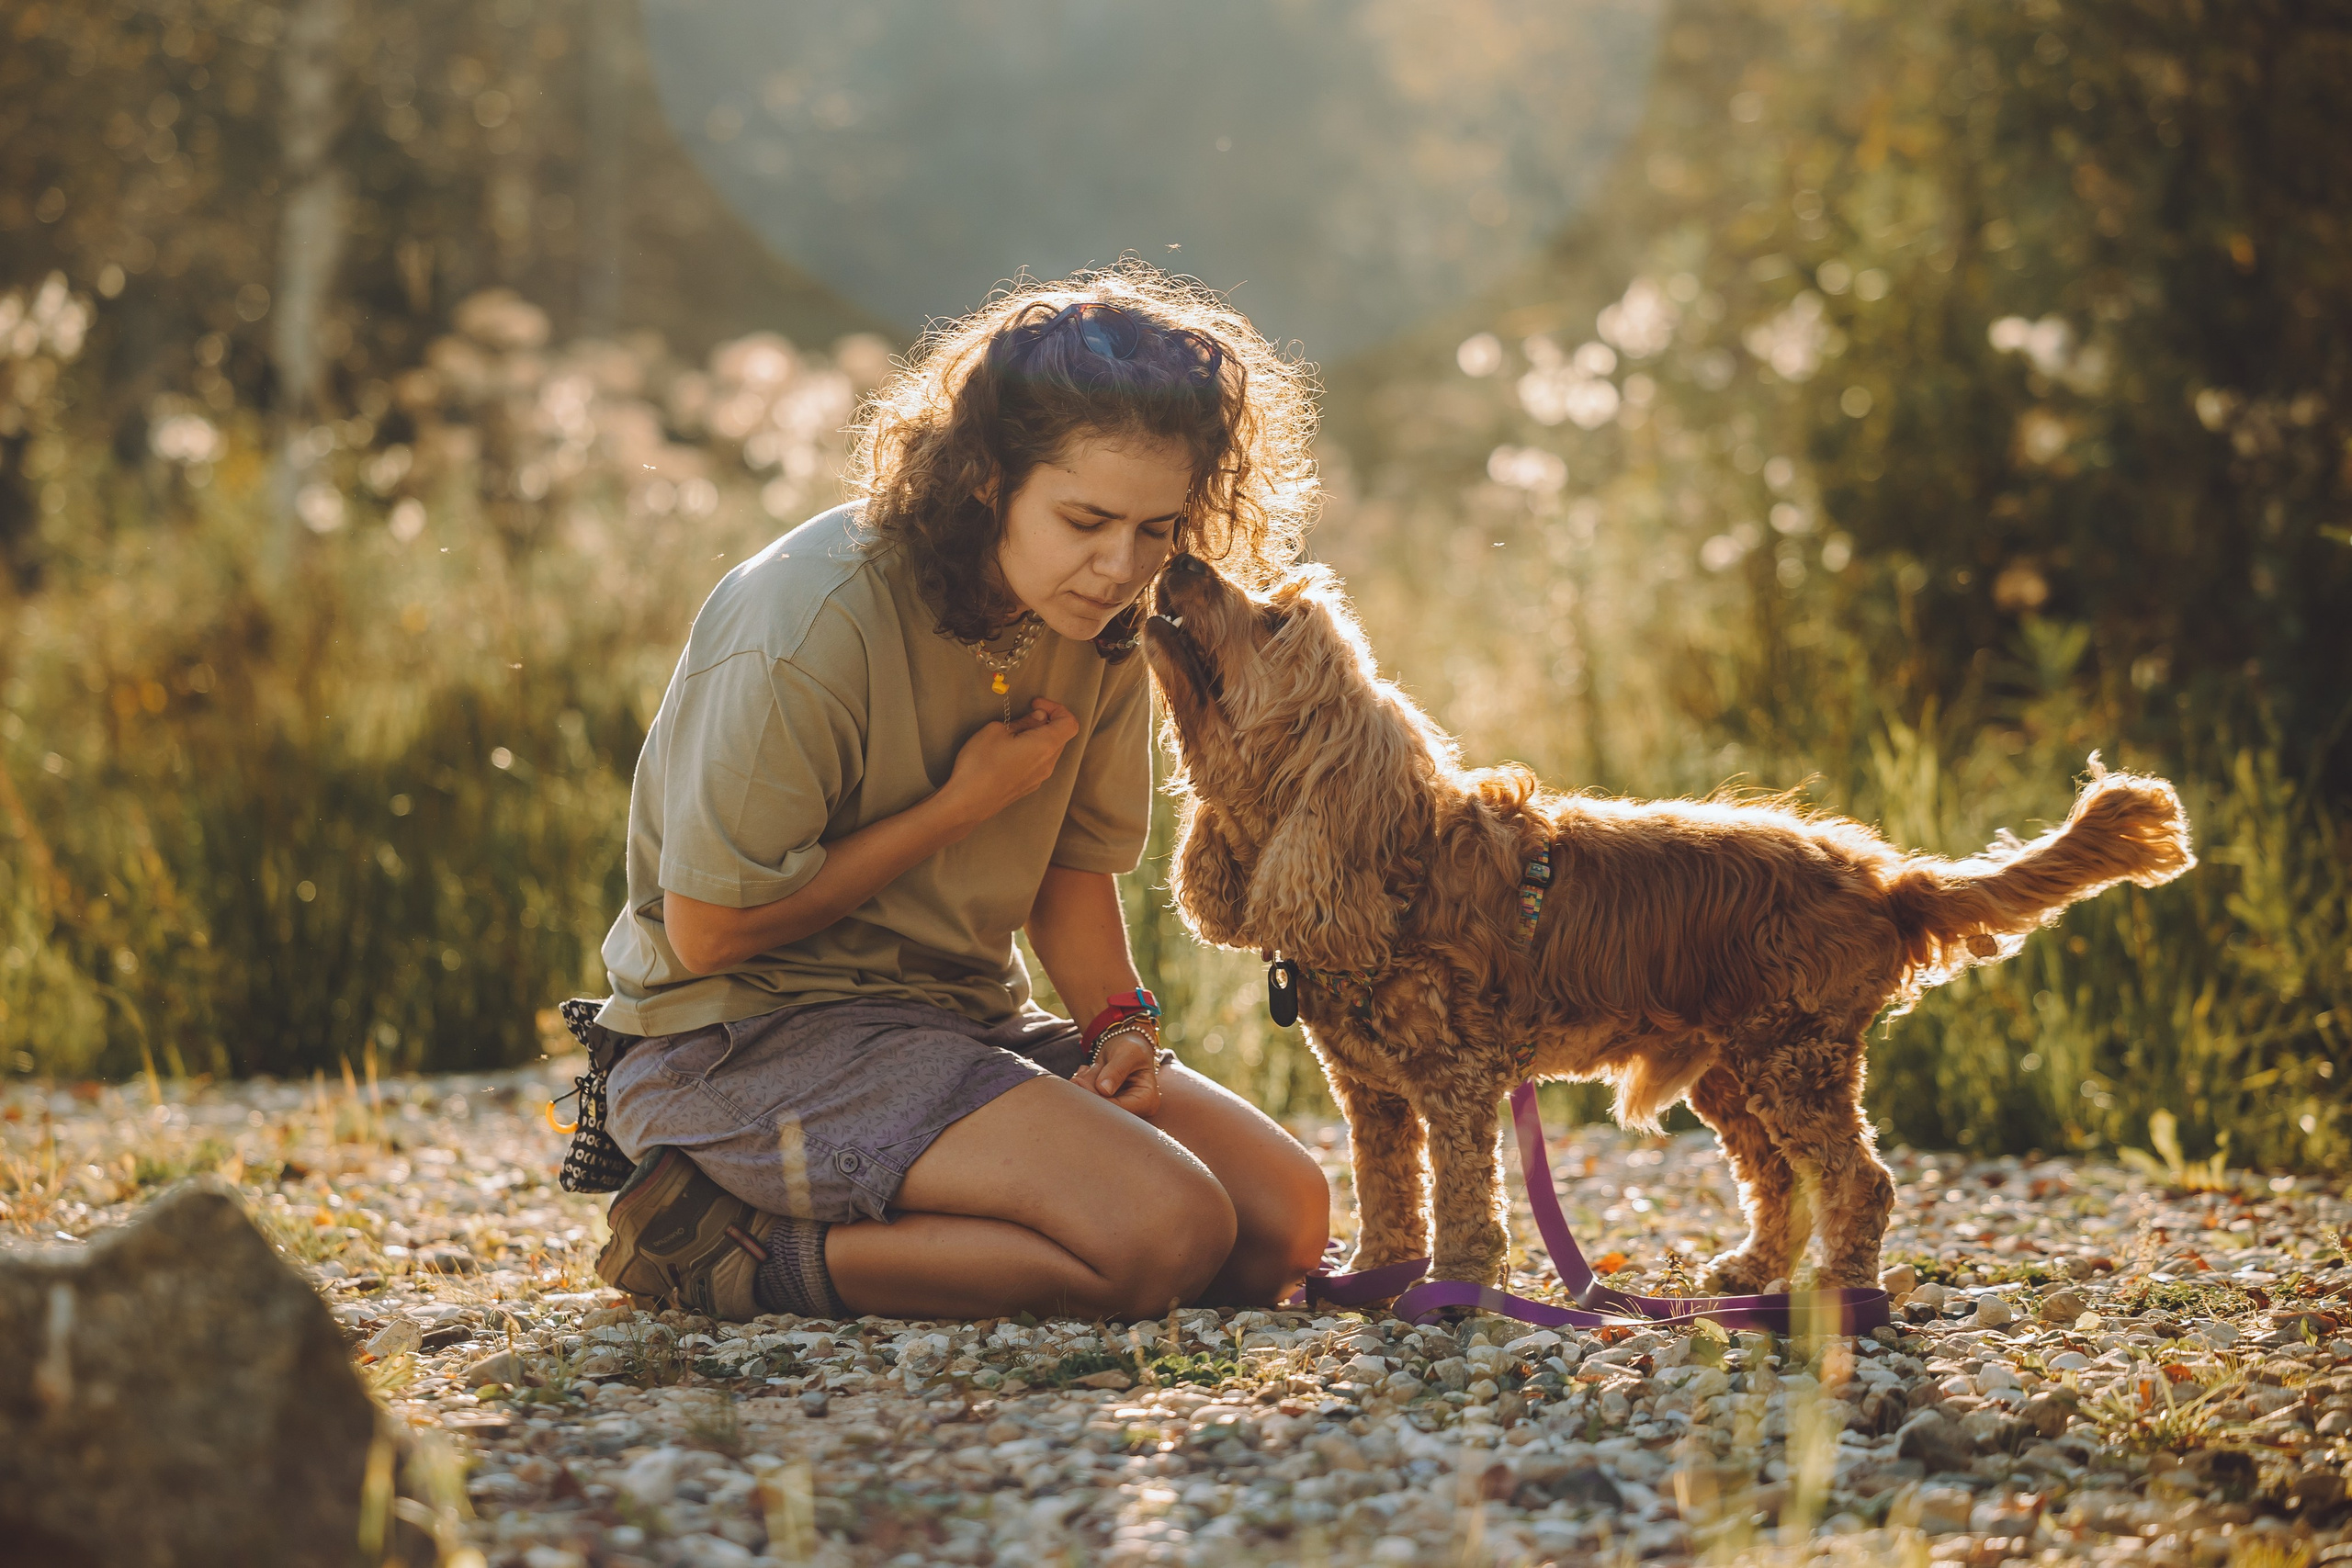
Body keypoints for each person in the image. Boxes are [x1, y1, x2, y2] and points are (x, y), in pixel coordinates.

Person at [584, 265, 1332, 1324]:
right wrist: (956, 807)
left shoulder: (1103, 625)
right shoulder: (811, 620)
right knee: (1169, 1236)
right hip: (741, 1042)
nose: (1121, 566)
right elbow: (708, 935)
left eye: (1157, 530)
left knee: (1279, 1225)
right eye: (1085, 520)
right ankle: (722, 1246)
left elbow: (1069, 877)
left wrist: (1124, 1030)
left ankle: (949, 1219)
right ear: (987, 476)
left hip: (959, 1024)